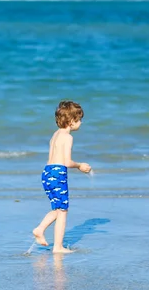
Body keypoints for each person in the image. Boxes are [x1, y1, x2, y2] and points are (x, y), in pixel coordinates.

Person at [32, 100, 92, 253]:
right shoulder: (68, 137)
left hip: (47, 172)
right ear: (72, 121)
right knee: (63, 211)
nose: (81, 123)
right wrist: (79, 165)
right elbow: (66, 162)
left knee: (58, 209)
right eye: (79, 120)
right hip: (58, 173)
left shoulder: (55, 135)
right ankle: (57, 246)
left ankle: (40, 230)